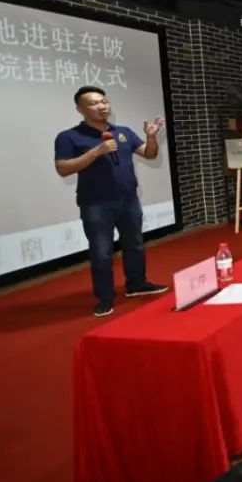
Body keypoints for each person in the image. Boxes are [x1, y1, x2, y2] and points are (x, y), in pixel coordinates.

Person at [54, 86, 170, 317]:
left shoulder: (123, 132)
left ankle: (136, 284)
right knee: (101, 252)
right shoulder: (68, 136)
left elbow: (149, 154)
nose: (102, 106)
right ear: (80, 109)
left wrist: (151, 137)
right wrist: (96, 151)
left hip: (128, 200)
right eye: (94, 103)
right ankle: (105, 297)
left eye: (104, 101)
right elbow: (63, 168)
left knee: (135, 244)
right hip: (95, 204)